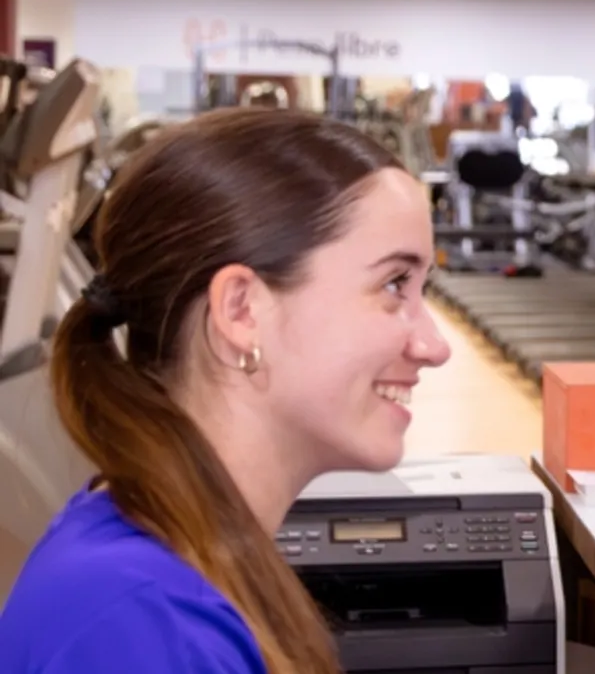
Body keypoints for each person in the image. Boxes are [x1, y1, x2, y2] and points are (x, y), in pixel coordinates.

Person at [0, 107, 454, 672]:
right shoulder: (142, 628)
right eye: (393, 284)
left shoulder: (180, 558)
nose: (435, 346)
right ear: (241, 310)